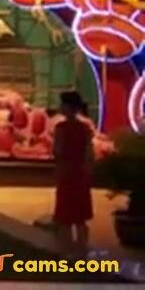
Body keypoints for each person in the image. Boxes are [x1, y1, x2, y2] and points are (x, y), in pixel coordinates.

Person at [53, 91, 94, 258]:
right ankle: (82, 252)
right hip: (80, 174)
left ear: (68, 107)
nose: (60, 107)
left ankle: (65, 253)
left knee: (65, 217)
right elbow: (89, 154)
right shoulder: (85, 128)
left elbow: (58, 151)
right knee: (80, 217)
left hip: (66, 173)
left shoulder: (60, 128)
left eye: (62, 104)